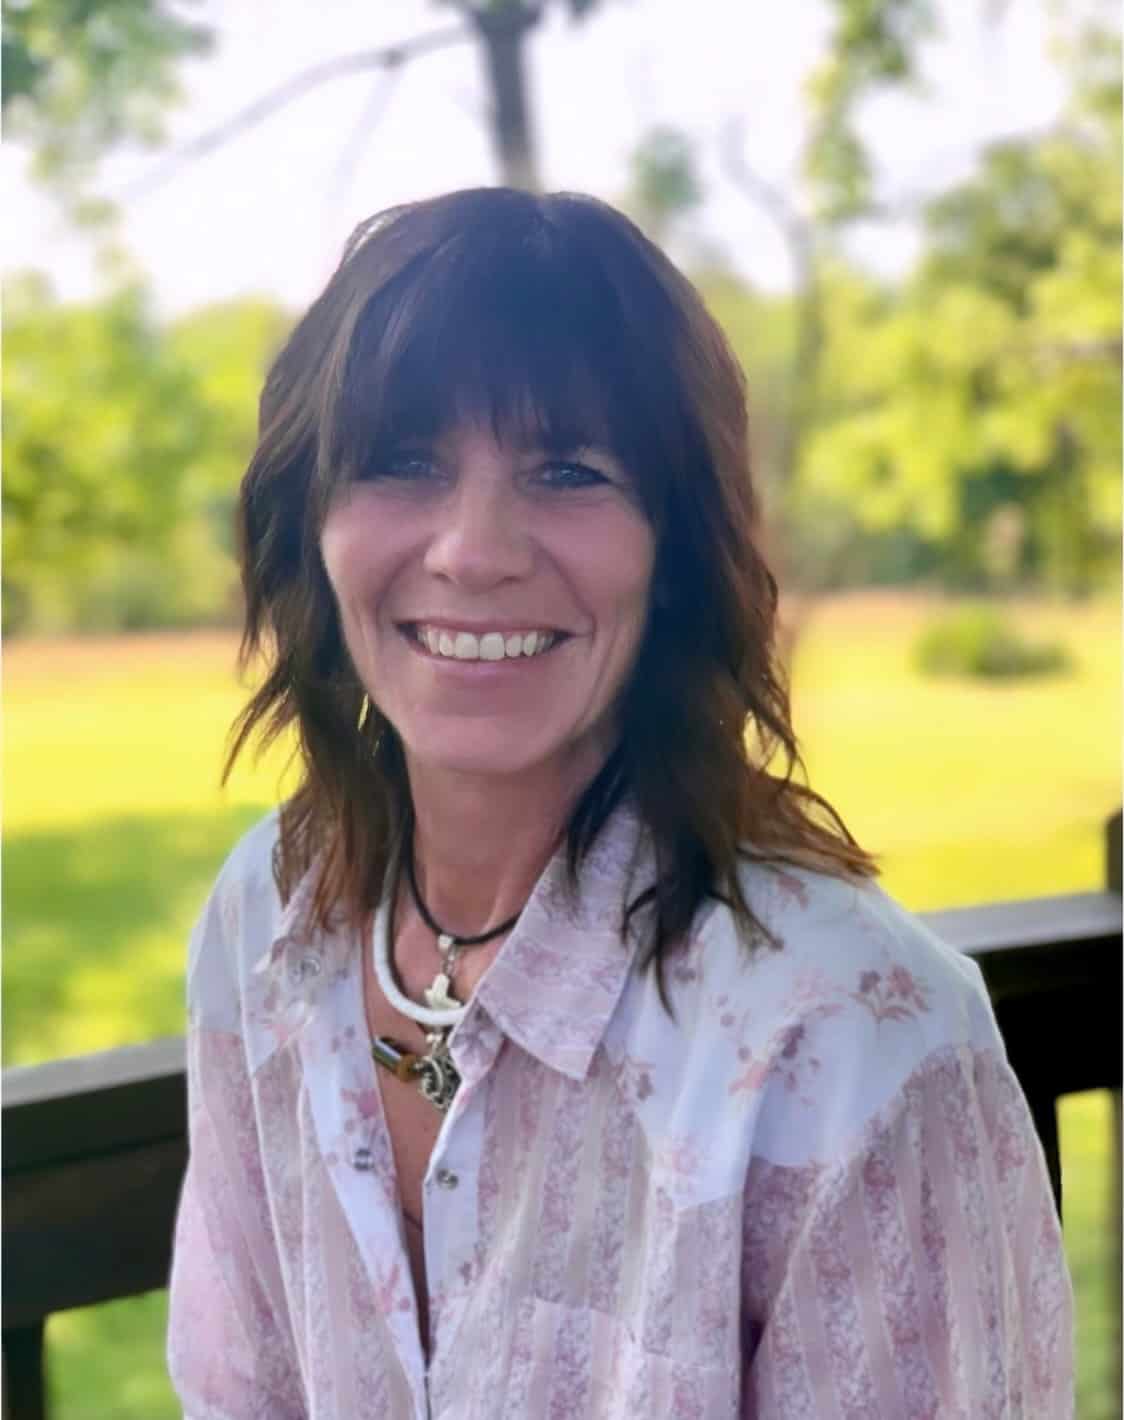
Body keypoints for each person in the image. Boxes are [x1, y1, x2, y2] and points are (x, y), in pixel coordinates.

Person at [166, 187, 1073, 1419]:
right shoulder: (267, 923)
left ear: (677, 550)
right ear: (306, 527)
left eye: (566, 470)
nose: (473, 549)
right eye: (402, 461)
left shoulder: (852, 1037)